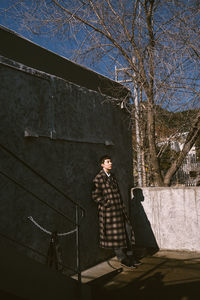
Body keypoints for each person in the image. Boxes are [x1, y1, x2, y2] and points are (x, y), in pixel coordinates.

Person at [92, 155, 141, 269]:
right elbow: (95, 196)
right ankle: (123, 259)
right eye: (108, 162)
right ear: (102, 164)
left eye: (111, 161)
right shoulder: (98, 178)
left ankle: (130, 255)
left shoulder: (112, 176)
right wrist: (107, 203)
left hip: (120, 210)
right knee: (115, 236)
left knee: (128, 232)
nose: (110, 163)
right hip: (109, 213)